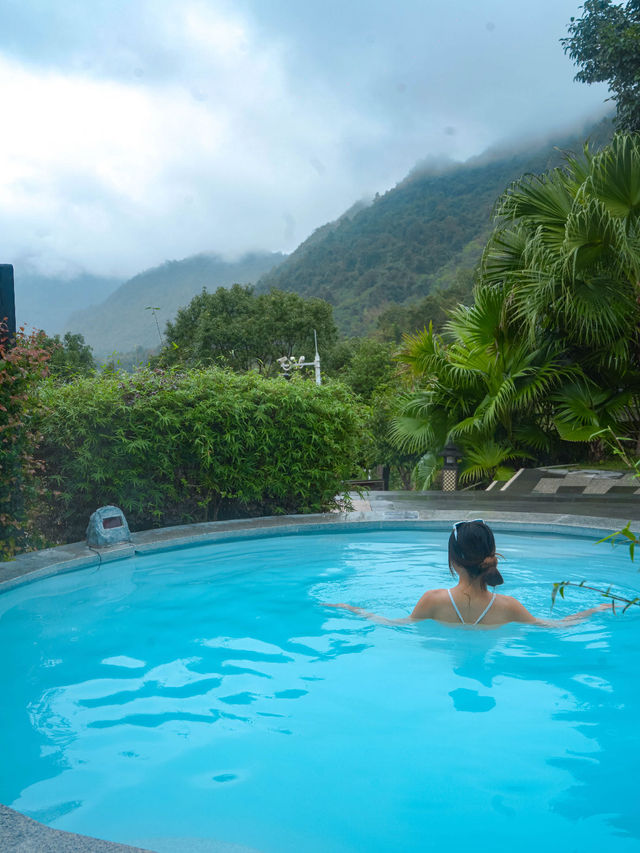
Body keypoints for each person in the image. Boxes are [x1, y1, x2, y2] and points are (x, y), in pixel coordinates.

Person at [324, 519, 611, 627]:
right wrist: (596, 609)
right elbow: (556, 626)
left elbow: (395, 624)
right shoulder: (509, 607)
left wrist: (353, 609)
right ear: (491, 555)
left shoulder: (432, 601)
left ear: (454, 561)